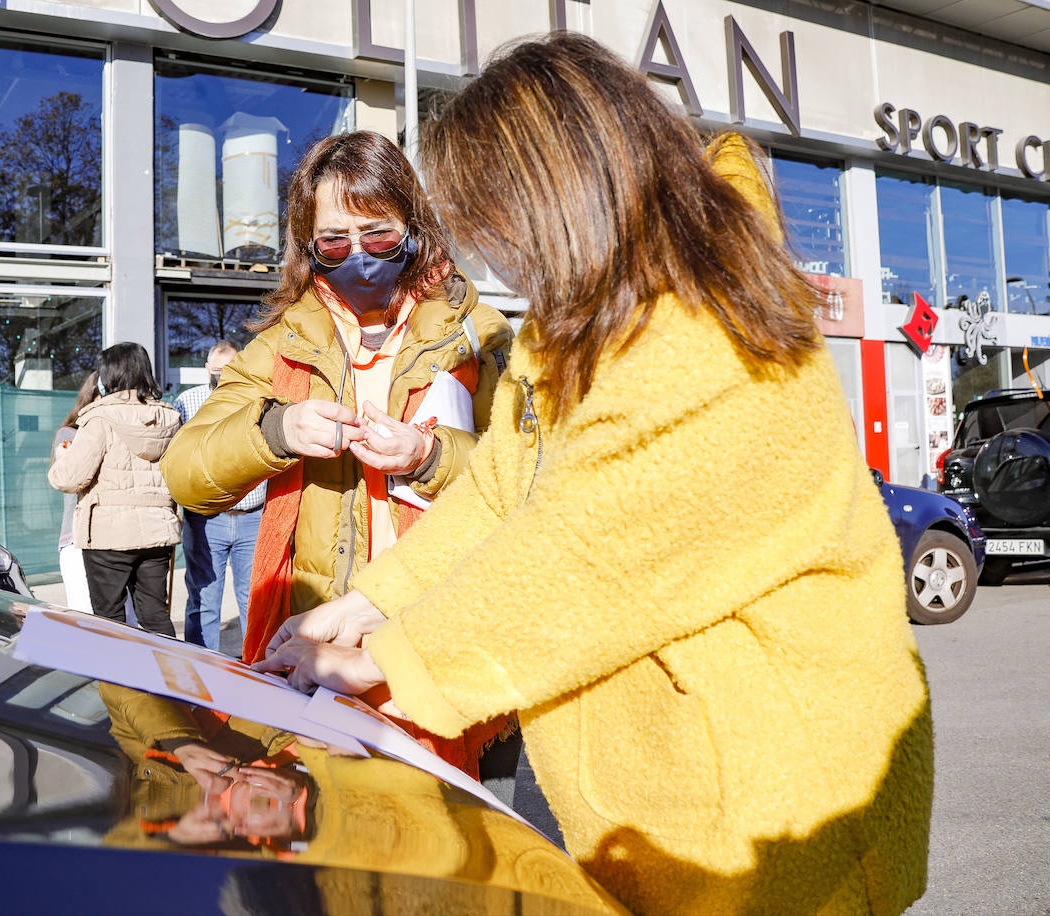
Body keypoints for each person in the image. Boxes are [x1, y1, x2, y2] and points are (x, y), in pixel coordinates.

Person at [255, 33, 934, 916]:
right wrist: (358, 607)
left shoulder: (705, 331)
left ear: (555, 199)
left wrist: (384, 658)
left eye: (492, 221)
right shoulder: (571, 322)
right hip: (673, 791)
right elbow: (504, 490)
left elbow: (583, 554)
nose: (490, 253)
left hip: (774, 795)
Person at [160, 129, 514, 773]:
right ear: (310, 247)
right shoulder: (281, 345)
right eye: (335, 241)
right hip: (314, 654)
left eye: (378, 234)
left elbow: (520, 483)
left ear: (412, 227)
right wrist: (274, 432)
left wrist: (428, 457)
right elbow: (186, 472)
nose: (361, 256)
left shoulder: (476, 338)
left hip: (432, 654)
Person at [48, 342, 181, 634]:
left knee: (109, 621)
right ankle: (165, 678)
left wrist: (62, 460)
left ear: (108, 376)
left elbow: (68, 479)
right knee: (156, 616)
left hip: (108, 535)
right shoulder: (170, 419)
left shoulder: (99, 418)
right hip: (158, 532)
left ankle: (118, 679)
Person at [173, 340, 266, 652]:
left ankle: (255, 670)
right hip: (205, 519)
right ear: (206, 370)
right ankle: (200, 672)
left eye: (228, 372)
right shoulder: (187, 402)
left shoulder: (258, 399)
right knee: (203, 598)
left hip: (252, 516)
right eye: (216, 373)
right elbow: (175, 458)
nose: (221, 379)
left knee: (254, 599)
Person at [52, 371, 101, 613]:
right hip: (75, 540)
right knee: (84, 616)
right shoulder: (69, 434)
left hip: (111, 542)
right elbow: (72, 479)